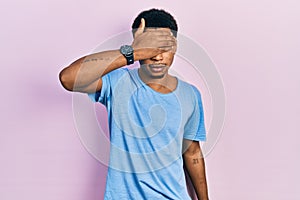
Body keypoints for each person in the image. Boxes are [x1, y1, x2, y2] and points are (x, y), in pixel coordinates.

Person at [59, 8, 209, 200]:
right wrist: (133, 52)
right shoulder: (118, 82)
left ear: (175, 47)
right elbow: (68, 78)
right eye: (150, 48)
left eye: (163, 48)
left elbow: (192, 152)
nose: (157, 56)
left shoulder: (190, 94)